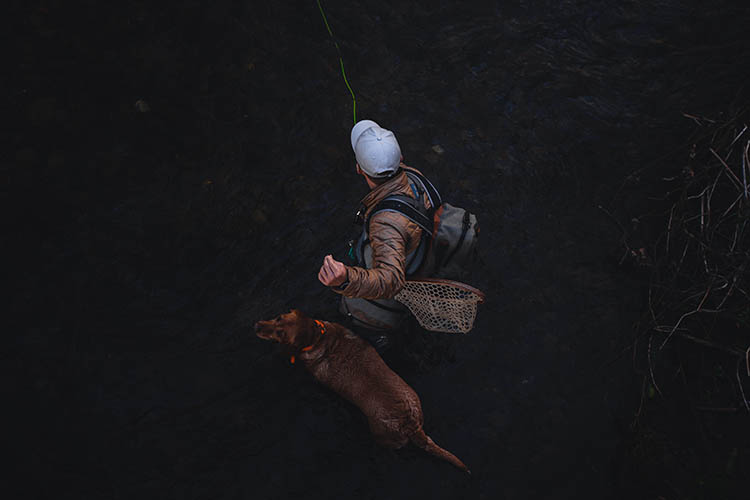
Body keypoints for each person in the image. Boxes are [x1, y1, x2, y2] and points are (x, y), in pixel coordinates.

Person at [317, 119, 435, 352]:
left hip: (380, 317)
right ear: (400, 159)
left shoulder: (385, 224)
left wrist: (345, 279)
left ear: (359, 169)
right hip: (418, 267)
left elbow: (391, 280)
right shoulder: (414, 178)